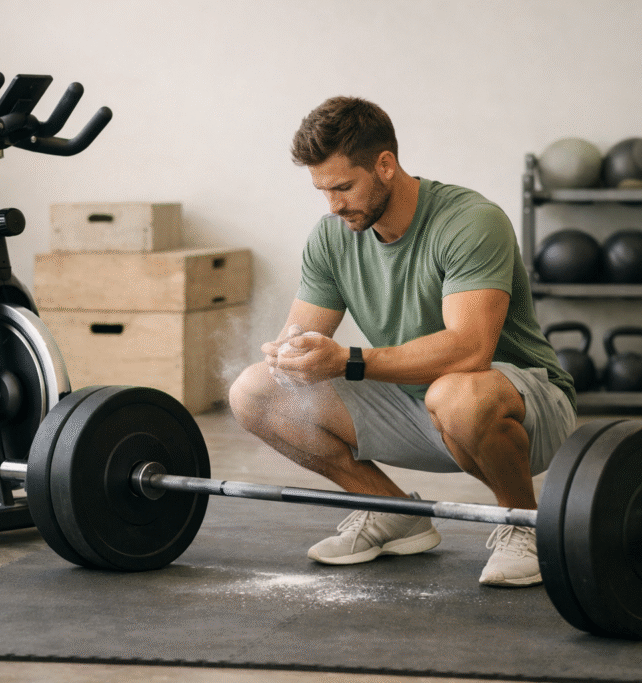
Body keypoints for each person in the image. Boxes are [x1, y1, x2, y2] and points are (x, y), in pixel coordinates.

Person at [228, 96, 576, 587]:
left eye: (344, 187)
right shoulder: (332, 236)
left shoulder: (471, 221)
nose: (333, 205)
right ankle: (390, 512)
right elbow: (303, 332)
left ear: (385, 165)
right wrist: (292, 356)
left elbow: (470, 349)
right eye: (322, 190)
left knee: (456, 392)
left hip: (518, 402)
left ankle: (522, 523)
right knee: (255, 390)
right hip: (415, 405)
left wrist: (349, 361)